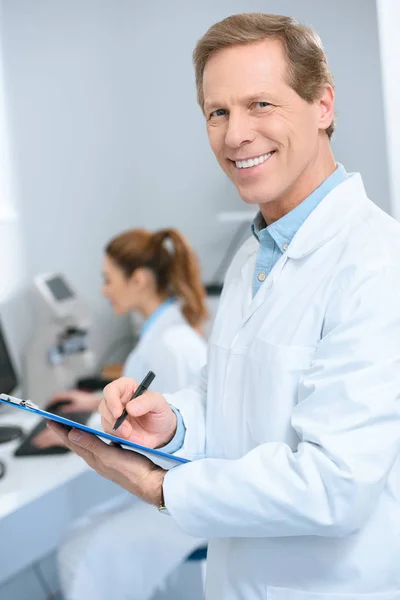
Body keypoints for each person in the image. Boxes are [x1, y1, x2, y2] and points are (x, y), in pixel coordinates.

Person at [49, 13, 400, 600]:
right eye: (218, 112)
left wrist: (163, 489)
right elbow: (229, 404)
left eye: (261, 104)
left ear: (323, 106)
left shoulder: (375, 262)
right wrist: (174, 421)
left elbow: (334, 484)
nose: (235, 134)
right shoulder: (254, 255)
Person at [44, 227, 208, 600]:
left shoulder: (168, 344)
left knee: (79, 554)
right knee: (82, 531)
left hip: (183, 501)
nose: (103, 290)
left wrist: (70, 429)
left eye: (107, 280)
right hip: (173, 488)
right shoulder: (167, 333)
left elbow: (161, 419)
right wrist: (89, 404)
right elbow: (150, 394)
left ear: (139, 279)